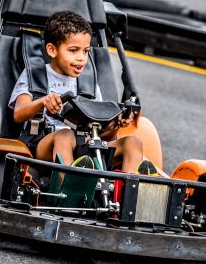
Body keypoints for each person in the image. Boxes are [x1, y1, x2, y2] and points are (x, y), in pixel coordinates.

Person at [9, 11, 157, 174]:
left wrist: (116, 125)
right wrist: (43, 101)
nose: (81, 58)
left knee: (133, 142)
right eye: (73, 50)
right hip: (42, 144)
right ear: (52, 50)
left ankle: (130, 192)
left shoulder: (89, 83)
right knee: (65, 135)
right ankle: (70, 188)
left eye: (85, 51)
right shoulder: (35, 75)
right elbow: (18, 114)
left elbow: (101, 133)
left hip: (84, 147)